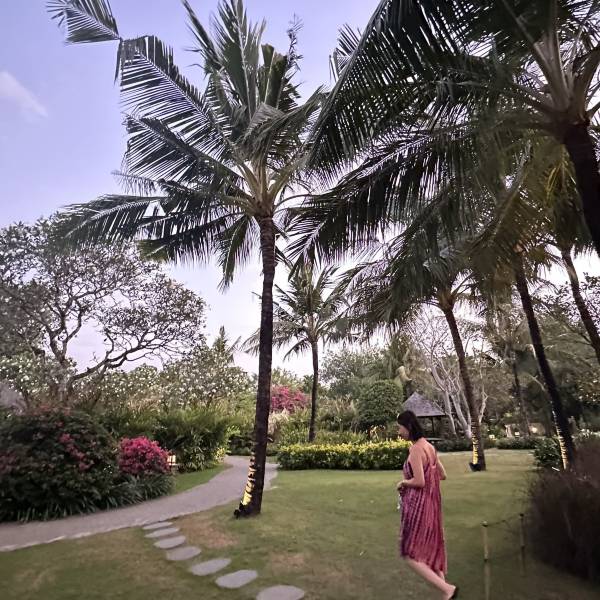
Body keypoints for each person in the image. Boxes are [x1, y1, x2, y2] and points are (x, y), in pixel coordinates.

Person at [396, 410, 458, 599]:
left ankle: (448, 589)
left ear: (408, 427)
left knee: (409, 553)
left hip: (419, 508)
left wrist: (403, 483)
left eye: (400, 428)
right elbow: (442, 475)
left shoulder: (416, 449)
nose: (398, 432)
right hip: (431, 505)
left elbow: (419, 481)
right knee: (430, 550)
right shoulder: (429, 447)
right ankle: (446, 591)